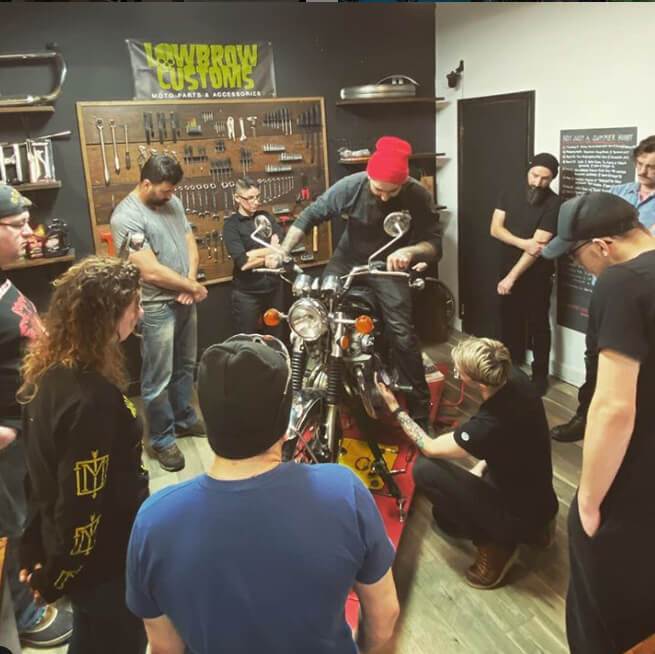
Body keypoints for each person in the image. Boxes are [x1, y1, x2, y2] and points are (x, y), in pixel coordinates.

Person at [126, 334, 399, 654]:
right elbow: (384, 616)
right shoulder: (343, 491)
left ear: (208, 416)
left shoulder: (155, 522)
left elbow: (164, 647)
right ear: (286, 420)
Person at [17, 256, 149, 654]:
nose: (140, 314)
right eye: (135, 305)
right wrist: (56, 577)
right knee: (120, 639)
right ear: (107, 317)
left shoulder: (47, 375)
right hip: (105, 562)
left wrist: (33, 545)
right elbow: (81, 509)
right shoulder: (92, 401)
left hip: (71, 552)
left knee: (91, 637)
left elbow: (36, 474)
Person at [542, 192, 655, 653]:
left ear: (602, 246)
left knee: (601, 612)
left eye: (576, 256)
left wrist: (588, 501)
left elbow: (614, 407)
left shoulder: (622, 282)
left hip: (638, 472)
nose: (579, 266)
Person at [263, 136, 441, 428]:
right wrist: (283, 250)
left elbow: (434, 244)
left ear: (404, 183)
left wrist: (410, 251)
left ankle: (420, 407)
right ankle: (324, 384)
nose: (384, 197)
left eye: (392, 191)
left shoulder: (418, 195)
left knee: (401, 332)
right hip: (348, 259)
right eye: (378, 189)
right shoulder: (351, 186)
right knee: (318, 317)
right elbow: (310, 216)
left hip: (386, 266)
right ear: (368, 176)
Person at [377, 336, 558, 590]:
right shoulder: (517, 379)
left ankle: (496, 546)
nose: (456, 372)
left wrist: (396, 409)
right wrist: (480, 468)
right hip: (541, 502)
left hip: (517, 513)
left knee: (425, 470)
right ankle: (536, 531)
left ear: (478, 382)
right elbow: (507, 441)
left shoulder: (488, 424)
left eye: (459, 370)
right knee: (444, 518)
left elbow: (429, 447)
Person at [0, 184, 73, 648]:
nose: (31, 232)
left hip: (27, 429)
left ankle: (34, 590)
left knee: (28, 517)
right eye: (17, 225)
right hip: (6, 439)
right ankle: (25, 616)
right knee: (8, 526)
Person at [551, 135, 655, 442]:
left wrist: (591, 479)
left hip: (633, 291)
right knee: (595, 359)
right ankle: (585, 415)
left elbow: (614, 408)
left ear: (602, 246)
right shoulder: (620, 194)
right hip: (611, 288)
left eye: (652, 167)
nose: (644, 171)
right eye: (640, 164)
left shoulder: (629, 279)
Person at [111, 154, 208, 472]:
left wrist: (190, 282)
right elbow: (149, 270)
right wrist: (190, 286)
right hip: (155, 306)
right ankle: (162, 439)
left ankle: (184, 419)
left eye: (173, 190)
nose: (171, 196)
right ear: (146, 183)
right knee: (158, 378)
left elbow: (189, 240)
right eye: (165, 190)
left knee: (186, 366)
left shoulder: (173, 202)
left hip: (184, 298)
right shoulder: (126, 217)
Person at [490, 153, 561, 395]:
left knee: (538, 325)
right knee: (508, 319)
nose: (538, 182)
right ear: (528, 171)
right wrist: (523, 243)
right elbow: (495, 229)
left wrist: (512, 277)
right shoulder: (508, 193)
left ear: (552, 179)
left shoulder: (555, 204)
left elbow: (537, 247)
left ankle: (540, 377)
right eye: (535, 175)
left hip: (536, 274)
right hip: (506, 268)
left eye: (545, 178)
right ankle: (508, 371)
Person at [223, 177, 286, 336]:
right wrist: (268, 255)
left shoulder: (266, 217)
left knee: (275, 336)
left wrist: (254, 254)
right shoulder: (231, 225)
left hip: (273, 288)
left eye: (257, 197)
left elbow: (280, 243)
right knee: (247, 339)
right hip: (247, 294)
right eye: (250, 198)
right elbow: (243, 262)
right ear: (237, 198)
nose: (256, 202)